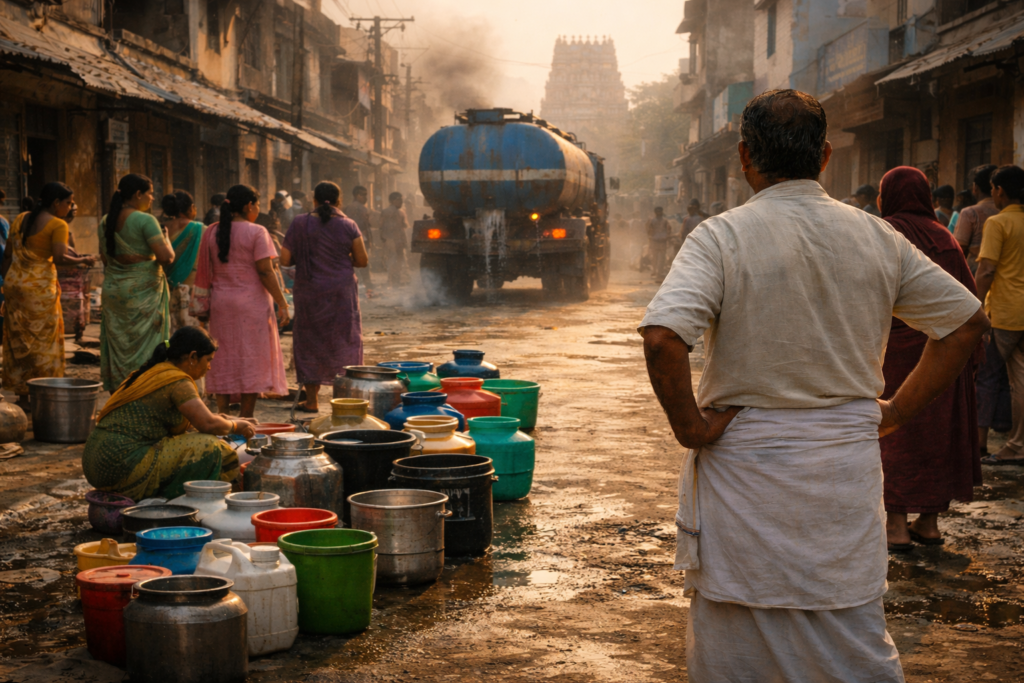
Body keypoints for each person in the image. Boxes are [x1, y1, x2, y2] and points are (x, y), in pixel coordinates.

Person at [640, 89, 987, 681]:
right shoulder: (876, 237)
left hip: (743, 468)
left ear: (745, 157)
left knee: (734, 641)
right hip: (841, 469)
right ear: (825, 156)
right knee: (849, 635)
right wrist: (897, 410)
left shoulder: (721, 236)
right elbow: (965, 323)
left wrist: (692, 429)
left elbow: (662, 337)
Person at [876, 166, 982, 551]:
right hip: (943, 355)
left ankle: (896, 526)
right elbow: (968, 303)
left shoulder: (884, 234)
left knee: (896, 435)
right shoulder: (945, 238)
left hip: (895, 355)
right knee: (936, 436)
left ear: (885, 198)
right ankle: (930, 524)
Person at [83, 327, 255, 501]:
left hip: (96, 461)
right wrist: (236, 426)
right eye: (208, 360)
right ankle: (172, 503)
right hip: (119, 464)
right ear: (193, 357)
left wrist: (227, 419)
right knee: (208, 445)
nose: (209, 367)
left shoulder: (156, 371)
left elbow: (197, 418)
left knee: (212, 444)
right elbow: (207, 424)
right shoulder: (177, 381)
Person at [194, 184, 289, 418]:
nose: (257, 209)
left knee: (222, 357)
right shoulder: (257, 232)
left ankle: (223, 414)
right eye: (257, 204)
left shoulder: (211, 231)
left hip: (221, 304)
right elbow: (266, 272)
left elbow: (204, 270)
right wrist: (283, 302)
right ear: (249, 206)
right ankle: (246, 417)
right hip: (252, 305)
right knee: (251, 358)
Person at [2, 183, 96, 403]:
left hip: (15, 285)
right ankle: (40, 394)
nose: (70, 207)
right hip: (39, 291)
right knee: (42, 343)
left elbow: (7, 255)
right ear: (56, 203)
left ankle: (22, 398)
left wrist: (7, 285)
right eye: (69, 202)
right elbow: (60, 258)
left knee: (19, 340)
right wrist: (84, 259)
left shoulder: (20, 219)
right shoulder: (57, 225)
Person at [280, 181, 369, 412]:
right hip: (341, 292)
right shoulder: (349, 224)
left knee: (309, 341)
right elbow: (362, 260)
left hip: (309, 292)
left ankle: (312, 401)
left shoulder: (300, 222)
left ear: (314, 200)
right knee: (345, 339)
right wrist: (339, 261)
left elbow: (285, 260)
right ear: (339, 201)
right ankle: (346, 401)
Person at [98, 174, 174, 392]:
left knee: (119, 344)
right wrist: (166, 237)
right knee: (147, 345)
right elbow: (166, 258)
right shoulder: (145, 220)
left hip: (114, 291)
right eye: (150, 194)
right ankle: (143, 390)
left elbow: (105, 258)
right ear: (138, 194)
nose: (152, 199)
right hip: (143, 293)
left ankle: (120, 391)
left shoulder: (105, 221)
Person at [975, 165, 1024, 465]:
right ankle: (1017, 444)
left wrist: (975, 309)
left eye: (993, 189)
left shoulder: (998, 223)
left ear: (1000, 191)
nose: (992, 193)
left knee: (987, 377)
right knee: (1019, 379)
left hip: (1004, 313)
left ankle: (978, 445)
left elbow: (987, 270)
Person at [162, 191, 205, 334]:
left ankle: (169, 353)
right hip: (194, 291)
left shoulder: (159, 228)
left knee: (169, 332)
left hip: (166, 290)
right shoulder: (201, 229)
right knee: (194, 334)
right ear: (191, 207)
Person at [954, 164, 1000, 274]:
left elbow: (958, 249)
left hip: (976, 275)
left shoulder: (969, 213)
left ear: (975, 187)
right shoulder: (1008, 211)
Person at [57, 201, 91, 342]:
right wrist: (82, 261)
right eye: (72, 207)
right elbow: (62, 257)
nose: (74, 212)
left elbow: (72, 253)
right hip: (62, 278)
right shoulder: (60, 229)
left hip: (68, 279)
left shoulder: (68, 232)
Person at [346, 185, 374, 290]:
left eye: (366, 195)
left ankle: (364, 283)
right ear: (356, 195)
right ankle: (363, 284)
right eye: (363, 195)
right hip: (358, 239)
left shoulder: (357, 207)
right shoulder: (355, 207)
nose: (365, 197)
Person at [379, 191, 409, 287]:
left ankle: (394, 281)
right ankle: (393, 281)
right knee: (395, 260)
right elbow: (382, 226)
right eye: (398, 200)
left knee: (396, 260)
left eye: (401, 200)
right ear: (392, 201)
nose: (401, 202)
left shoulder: (400, 212)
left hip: (395, 240)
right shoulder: (390, 212)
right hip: (392, 240)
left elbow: (404, 226)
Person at [645, 206, 671, 280]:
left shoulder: (658, 221)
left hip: (659, 240)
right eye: (658, 212)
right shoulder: (656, 221)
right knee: (656, 257)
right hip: (658, 241)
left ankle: (657, 272)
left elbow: (649, 231)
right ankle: (656, 271)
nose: (659, 213)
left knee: (658, 257)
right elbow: (649, 230)